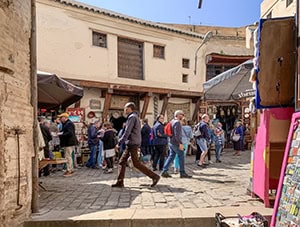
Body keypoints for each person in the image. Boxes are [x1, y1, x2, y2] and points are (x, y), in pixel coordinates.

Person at [112, 102, 160, 188]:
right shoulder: (135, 117)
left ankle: (154, 176)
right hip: (132, 143)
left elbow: (127, 132)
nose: (124, 110)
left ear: (129, 108)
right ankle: (120, 181)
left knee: (136, 163)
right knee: (122, 162)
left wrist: (119, 142)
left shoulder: (131, 117)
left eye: (125, 108)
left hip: (132, 143)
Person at [161, 110, 192, 178]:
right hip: (176, 143)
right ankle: (182, 172)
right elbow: (177, 134)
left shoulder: (172, 121)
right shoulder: (177, 122)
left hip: (171, 142)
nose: (183, 116)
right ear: (178, 115)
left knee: (171, 156)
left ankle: (164, 171)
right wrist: (180, 143)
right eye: (182, 114)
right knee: (181, 156)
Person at [58, 112, 77, 177]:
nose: (60, 119)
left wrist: (61, 134)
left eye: (61, 117)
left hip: (69, 142)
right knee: (67, 156)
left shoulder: (69, 124)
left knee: (68, 156)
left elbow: (70, 133)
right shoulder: (66, 123)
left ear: (65, 118)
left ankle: (70, 170)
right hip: (68, 142)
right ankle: (69, 169)